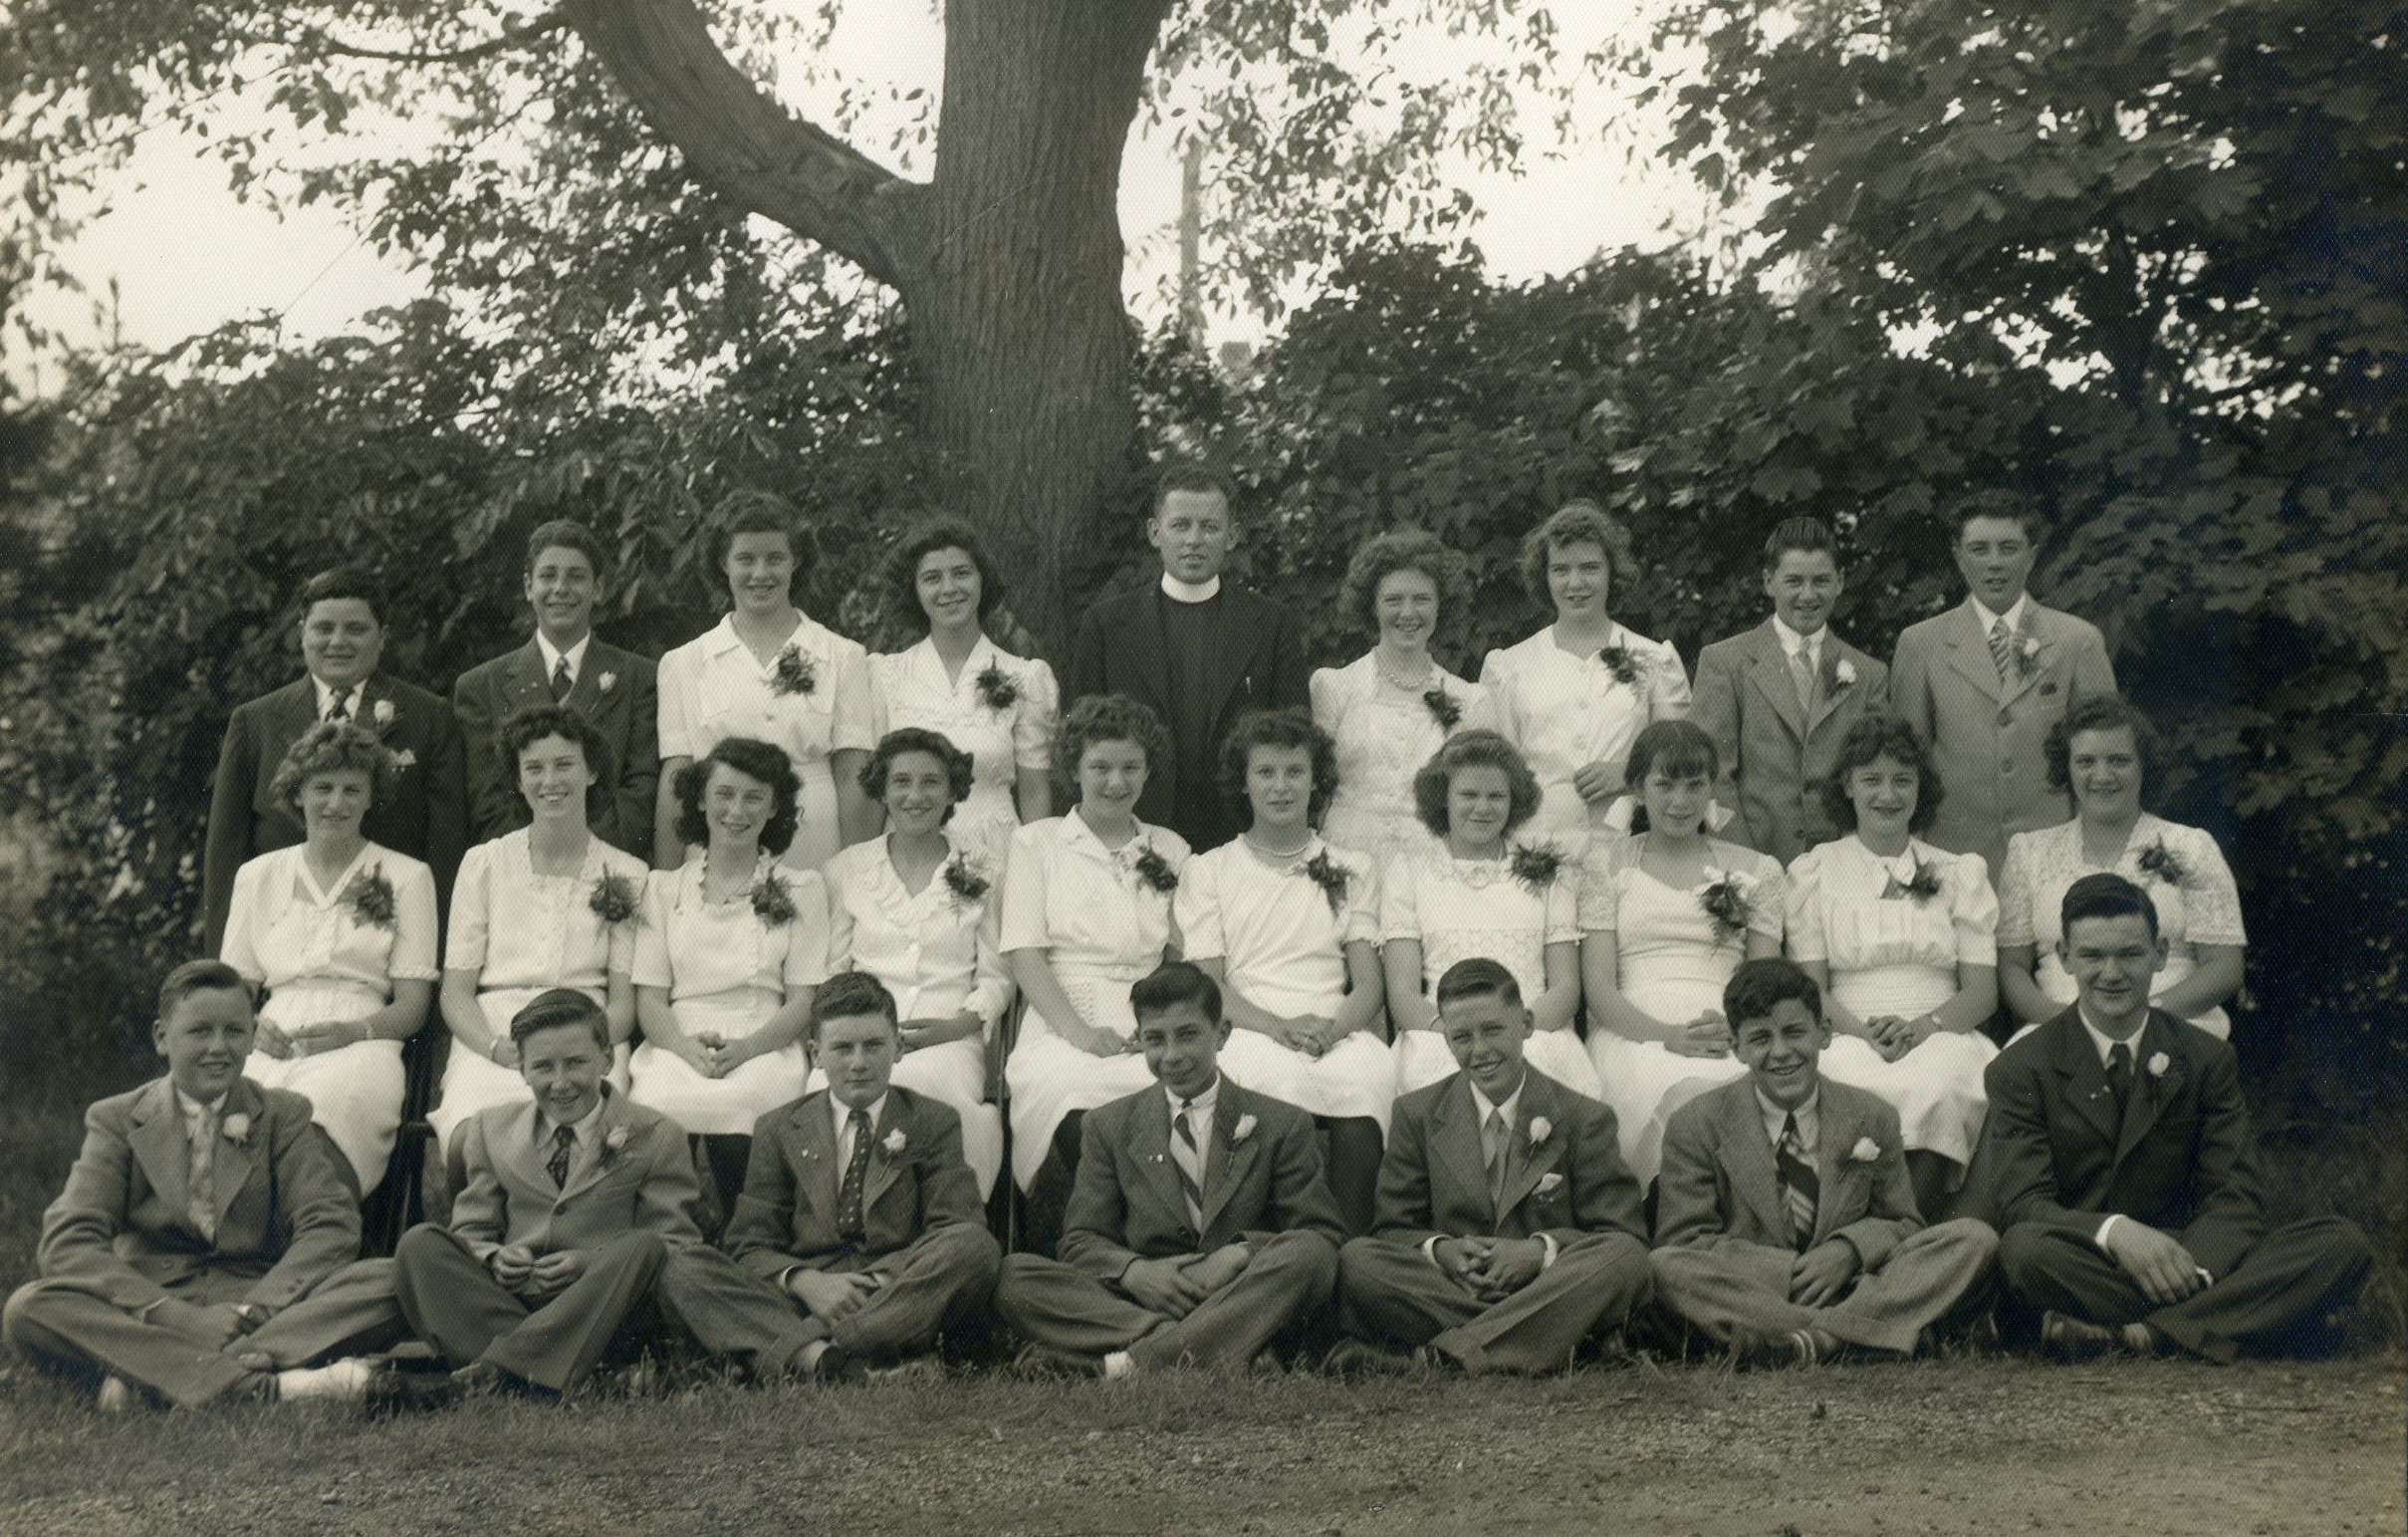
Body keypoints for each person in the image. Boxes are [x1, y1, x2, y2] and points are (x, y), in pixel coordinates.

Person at [1976, 875, 2371, 1362]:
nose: (2112, 973)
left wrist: (2194, 1267)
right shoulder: (2021, 1067)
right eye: (2093, 956)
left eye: (2130, 954)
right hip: (2088, 1259)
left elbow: (2237, 1194)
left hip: (2190, 1254)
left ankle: (2144, 1333)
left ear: (2160, 954)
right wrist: (2116, 1232)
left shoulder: (2205, 1058)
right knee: (2025, 1252)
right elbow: (2026, 1204)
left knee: (2340, 1244)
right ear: (2064, 957)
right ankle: (2236, 1319)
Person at [385, 989, 818, 1397]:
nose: (560, 1082)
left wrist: (588, 1263)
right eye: (543, 1067)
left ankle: (501, 1372)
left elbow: (674, 1246)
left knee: (643, 1246)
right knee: (420, 1245)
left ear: (607, 1059)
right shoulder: (490, 1130)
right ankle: (547, 1372)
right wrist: (496, 1258)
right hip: (514, 1303)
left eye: (575, 1063)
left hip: (606, 1311)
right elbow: (471, 1233)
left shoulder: (655, 1133)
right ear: (522, 1070)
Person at [2, 961, 392, 1409]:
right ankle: (273, 1386)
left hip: (256, 1307)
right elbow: (68, 1241)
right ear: (161, 1038)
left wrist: (256, 1310)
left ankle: (154, 1382)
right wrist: (173, 1316)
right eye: (200, 1032)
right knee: (30, 1308)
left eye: (234, 1032)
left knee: (392, 1280)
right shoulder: (117, 1120)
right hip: (154, 1311)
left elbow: (329, 1224)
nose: (219, 1048)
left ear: (251, 1036)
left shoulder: (283, 1114)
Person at [995, 962, 1344, 1377]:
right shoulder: (1108, 1125)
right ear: (1139, 1040)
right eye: (1155, 1040)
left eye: (1188, 1035)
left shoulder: (1280, 1122)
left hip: (1242, 1290)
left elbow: (1321, 1234)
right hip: (1150, 1298)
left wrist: (1240, 1253)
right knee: (1015, 1278)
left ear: (1223, 1034)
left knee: (1311, 1256)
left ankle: (1133, 1363)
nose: (1172, 1056)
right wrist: (1135, 1272)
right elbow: (1081, 1241)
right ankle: (1218, 1346)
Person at [1651, 958, 1999, 1365]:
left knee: (1974, 1239)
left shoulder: (1872, 1116)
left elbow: (1903, 1223)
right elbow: (1684, 1241)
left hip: (1852, 1280)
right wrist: (1788, 1271)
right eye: (1760, 1038)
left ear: (1825, 1034)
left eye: (1795, 1032)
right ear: (1737, 1048)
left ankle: (1804, 1342)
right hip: (1758, 1288)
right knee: (1666, 1268)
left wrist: (1847, 1251)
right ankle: (1860, 1333)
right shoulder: (1696, 1123)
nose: (1781, 1053)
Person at [1329, 959, 1652, 1376]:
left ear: (1526, 1024)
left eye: (1493, 1030)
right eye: (1461, 1037)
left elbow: (1620, 1233)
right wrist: (1440, 1250)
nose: (1479, 1051)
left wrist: (1538, 1251)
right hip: (1461, 1289)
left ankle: (1442, 1358)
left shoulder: (1583, 1117)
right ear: (1445, 1039)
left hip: (1546, 1283)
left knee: (1623, 1258)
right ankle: (1560, 1342)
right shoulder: (1417, 1114)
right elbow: (1392, 1229)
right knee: (1358, 1261)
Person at [717, 973, 1003, 1381]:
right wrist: (806, 1282)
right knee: (687, 1269)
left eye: (873, 1046)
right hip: (808, 1291)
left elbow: (956, 1225)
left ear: (898, 1048)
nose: (858, 1063)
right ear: (816, 1054)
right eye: (842, 1048)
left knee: (975, 1247)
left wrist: (875, 1281)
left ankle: (819, 1355)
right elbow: (749, 1245)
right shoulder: (779, 1128)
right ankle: (856, 1360)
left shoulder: (932, 1121)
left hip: (896, 1286)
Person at [1175, 709, 1393, 1233]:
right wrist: (1277, 1027)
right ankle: (1269, 1242)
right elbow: (1209, 984)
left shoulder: (1350, 867)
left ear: (1316, 780)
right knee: (1265, 1078)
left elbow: (1369, 983)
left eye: (1295, 772)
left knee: (1367, 1076)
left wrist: (1334, 1030)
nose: (1281, 787)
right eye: (1266, 773)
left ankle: (1349, 1244)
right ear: (1244, 783)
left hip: (1331, 1023)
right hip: (1247, 1023)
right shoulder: (1210, 870)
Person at [1785, 716, 2000, 1217]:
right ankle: (1848, 1226)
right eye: (1872, 780)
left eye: (1902, 780)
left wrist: (1923, 1028)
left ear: (1920, 788)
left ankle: (1912, 1229)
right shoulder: (1814, 871)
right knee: (1842, 1080)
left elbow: (1982, 992)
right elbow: (1811, 989)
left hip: (1941, 1028)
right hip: (1844, 1029)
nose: (1888, 794)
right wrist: (1864, 1032)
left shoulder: (1956, 871)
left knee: (1946, 1080)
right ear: (1847, 785)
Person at [218, 721, 439, 1196]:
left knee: (331, 1105)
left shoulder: (407, 876)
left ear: (369, 797)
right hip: (271, 1032)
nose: (335, 803)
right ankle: (238, 1239)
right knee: (230, 1109)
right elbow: (232, 988)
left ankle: (316, 1232)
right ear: (297, 793)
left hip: (363, 1037)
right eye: (322, 788)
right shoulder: (258, 876)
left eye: (351, 790)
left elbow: (414, 1005)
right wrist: (250, 1026)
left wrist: (353, 1032)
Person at [1000, 695, 1193, 1233]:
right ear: (1073, 769)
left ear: (1148, 770)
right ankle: (1072, 1251)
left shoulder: (1172, 849)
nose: (1115, 781)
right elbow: (1025, 954)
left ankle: (1152, 1243)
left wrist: (1155, 1027)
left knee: (1168, 1098)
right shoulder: (1035, 843)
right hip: (1061, 1012)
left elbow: (1180, 956)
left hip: (1150, 1014)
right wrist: (1081, 1035)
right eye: (1100, 767)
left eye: (1130, 767)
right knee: (1072, 1099)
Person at [202, 565, 466, 950]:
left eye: (356, 629)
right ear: (302, 632)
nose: (338, 641)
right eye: (323, 628)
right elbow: (225, 859)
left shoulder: (429, 717)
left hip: (390, 936)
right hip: (279, 937)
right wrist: (223, 978)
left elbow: (446, 848)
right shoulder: (255, 722)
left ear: (381, 638)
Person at [429, 704, 649, 1150]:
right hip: (496, 1034)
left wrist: (587, 1048)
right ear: (518, 780)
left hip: (589, 1032)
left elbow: (624, 1002)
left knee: (590, 1140)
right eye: (534, 768)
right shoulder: (484, 864)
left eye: (565, 764)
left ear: (590, 773)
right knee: (473, 1137)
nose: (550, 781)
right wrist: (495, 1047)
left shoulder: (628, 873)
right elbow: (456, 993)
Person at [626, 737, 828, 1219]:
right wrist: (684, 1046)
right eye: (724, 794)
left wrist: (747, 1049)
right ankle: (672, 1238)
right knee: (656, 1109)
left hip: (766, 1038)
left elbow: (803, 1002)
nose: (737, 810)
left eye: (754, 797)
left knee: (748, 1105)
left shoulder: (803, 887)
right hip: (679, 1038)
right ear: (700, 799)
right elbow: (650, 1000)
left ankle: (747, 1237)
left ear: (775, 806)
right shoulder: (663, 886)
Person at [1577, 721, 1786, 1184]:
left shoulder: (1756, 870)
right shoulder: (1607, 866)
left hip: (1727, 1026)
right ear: (1636, 788)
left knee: (1749, 1087)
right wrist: (1665, 1036)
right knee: (1664, 1084)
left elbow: (1765, 979)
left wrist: (1736, 1026)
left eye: (1695, 785)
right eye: (1664, 785)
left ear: (1711, 788)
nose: (1680, 801)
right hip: (1633, 1031)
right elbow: (1598, 989)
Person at [1065, 462, 1310, 852]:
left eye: (1209, 527)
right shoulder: (1107, 624)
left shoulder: (1272, 624)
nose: (1194, 540)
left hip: (1240, 833)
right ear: (1154, 532)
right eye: (1180, 525)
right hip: (1132, 828)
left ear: (1232, 536)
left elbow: (1294, 738)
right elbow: (1079, 741)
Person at [813, 729, 1012, 1198]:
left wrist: (954, 1027)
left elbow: (996, 977)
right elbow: (834, 970)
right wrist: (843, 1032)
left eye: (931, 782)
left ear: (952, 792)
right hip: (858, 1030)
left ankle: (943, 1212)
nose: (915, 796)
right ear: (881, 790)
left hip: (947, 1035)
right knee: (818, 1091)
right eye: (901, 782)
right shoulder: (846, 869)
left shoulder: (985, 868)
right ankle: (844, 1216)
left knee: (930, 1084)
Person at [1890, 490, 2116, 879]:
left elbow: (2103, 755)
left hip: (2055, 855)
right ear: (1959, 557)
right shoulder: (1920, 644)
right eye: (1979, 549)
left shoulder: (2077, 641)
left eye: (2008, 548)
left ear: (2031, 555)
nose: (1994, 563)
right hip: (1954, 858)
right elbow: (1908, 761)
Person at [1997, 695, 2245, 1039]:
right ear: (2066, 769)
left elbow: (2225, 967)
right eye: (2086, 761)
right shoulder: (2028, 852)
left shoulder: (2191, 846)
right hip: (2059, 1030)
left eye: (2119, 760)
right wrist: (2066, 1024)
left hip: (2172, 1023)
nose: (2102, 775)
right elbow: (2012, 968)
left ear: (2143, 766)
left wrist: (2143, 1016)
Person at [654, 504, 877, 872]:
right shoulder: (684, 663)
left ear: (796, 561)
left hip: (815, 848)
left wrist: (859, 877)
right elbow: (676, 782)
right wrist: (665, 881)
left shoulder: (842, 656)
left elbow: (854, 777)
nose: (760, 573)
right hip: (720, 843)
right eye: (745, 559)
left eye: (775, 558)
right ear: (724, 563)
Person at [1382, 729, 1596, 1101]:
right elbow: (1402, 994)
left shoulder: (1547, 872)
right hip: (1441, 1035)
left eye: (1496, 796)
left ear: (1514, 802)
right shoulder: (1409, 870)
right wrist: (1463, 1035)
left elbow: (1565, 988)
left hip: (1534, 1033)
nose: (1483, 807)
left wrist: (1514, 1033)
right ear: (1443, 799)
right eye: (1468, 794)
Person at [1479, 501, 1691, 851]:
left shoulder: (1655, 660)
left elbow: (1682, 760)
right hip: (1533, 852)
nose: (1575, 583)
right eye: (1561, 570)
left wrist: (1629, 773)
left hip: (1625, 849)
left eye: (1590, 568)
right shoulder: (1509, 667)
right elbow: (1492, 772)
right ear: (1544, 577)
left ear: (1611, 572)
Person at [452, 518, 660, 861]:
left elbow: (640, 791)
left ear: (598, 588)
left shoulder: (640, 678)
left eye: (576, 577)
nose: (561, 588)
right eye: (548, 576)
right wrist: (543, 861)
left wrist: (587, 859)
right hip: (521, 873)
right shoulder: (480, 687)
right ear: (528, 587)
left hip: (612, 870)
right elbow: (488, 803)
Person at [1691, 517, 1890, 867]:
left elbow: (1874, 774)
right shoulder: (1725, 662)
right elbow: (1712, 775)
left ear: (1841, 582)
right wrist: (1744, 864)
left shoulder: (1868, 673)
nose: (1808, 595)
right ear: (1769, 582)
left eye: (1822, 581)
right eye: (1794, 581)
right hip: (1749, 860)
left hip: (1842, 866)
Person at [869, 518, 1059, 866]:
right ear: (914, 589)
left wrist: (1039, 872)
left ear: (982, 580)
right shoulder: (885, 676)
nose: (948, 588)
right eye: (932, 578)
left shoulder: (1024, 677)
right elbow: (871, 789)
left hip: (997, 854)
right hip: (908, 851)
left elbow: (1034, 792)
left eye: (961, 573)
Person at [1310, 528, 1493, 866]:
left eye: (1422, 599)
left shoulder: (1470, 700)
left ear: (1441, 605)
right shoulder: (1334, 687)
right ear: (1373, 607)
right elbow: (1315, 792)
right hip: (1346, 857)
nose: (1408, 613)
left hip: (1431, 864)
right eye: (1393, 600)